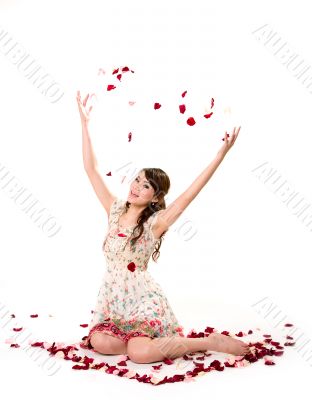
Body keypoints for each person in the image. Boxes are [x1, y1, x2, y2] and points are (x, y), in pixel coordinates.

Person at [76, 90, 251, 364]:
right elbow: (91, 169)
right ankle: (143, 342)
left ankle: (207, 341)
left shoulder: (156, 223)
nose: (136, 187)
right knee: (100, 342)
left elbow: (190, 194)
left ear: (155, 197)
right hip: (116, 301)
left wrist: (220, 156)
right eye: (137, 180)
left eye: (146, 186)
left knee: (139, 354)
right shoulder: (114, 209)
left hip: (144, 300)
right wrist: (84, 124)